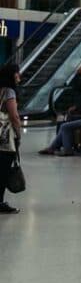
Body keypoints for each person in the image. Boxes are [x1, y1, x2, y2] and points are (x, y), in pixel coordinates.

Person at [0, 63, 23, 214]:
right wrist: (18, 134)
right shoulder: (9, 92)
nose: (19, 76)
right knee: (3, 170)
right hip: (4, 138)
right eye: (17, 73)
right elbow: (13, 116)